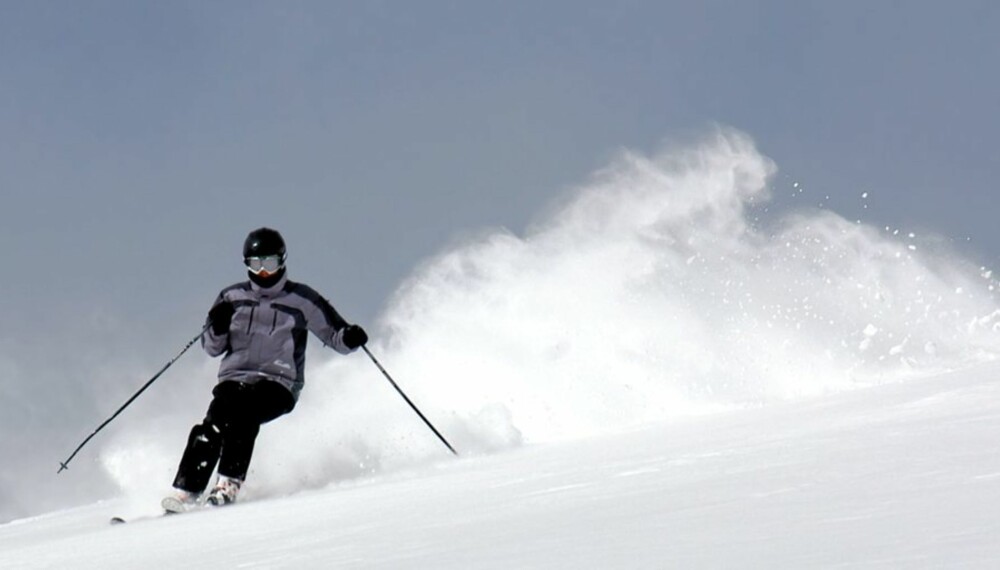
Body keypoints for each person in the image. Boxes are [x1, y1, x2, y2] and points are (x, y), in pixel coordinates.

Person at [162, 227, 368, 512]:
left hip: (279, 382)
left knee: (243, 414)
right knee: (214, 421)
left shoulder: (302, 300)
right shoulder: (231, 297)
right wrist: (218, 326)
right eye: (255, 264)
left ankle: (228, 484)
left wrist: (349, 337)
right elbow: (211, 348)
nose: (262, 272)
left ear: (282, 261)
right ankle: (186, 490)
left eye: (269, 263)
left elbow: (335, 335)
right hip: (235, 377)